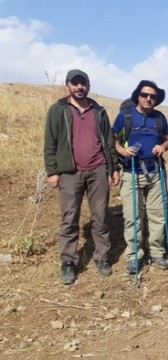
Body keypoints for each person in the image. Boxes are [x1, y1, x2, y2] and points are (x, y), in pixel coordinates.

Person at [44, 69, 120, 285]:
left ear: (88, 85)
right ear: (67, 85)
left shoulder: (99, 111)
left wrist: (113, 168)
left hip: (97, 170)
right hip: (70, 171)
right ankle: (68, 262)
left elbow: (108, 142)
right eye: (75, 83)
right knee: (69, 218)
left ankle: (102, 257)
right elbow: (50, 143)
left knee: (100, 216)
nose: (79, 87)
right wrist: (52, 171)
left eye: (83, 83)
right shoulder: (58, 110)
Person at [113, 80, 168, 274]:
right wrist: (122, 150)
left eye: (152, 96)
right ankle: (133, 256)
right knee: (132, 217)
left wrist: (162, 147)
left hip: (155, 172)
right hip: (131, 172)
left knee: (158, 215)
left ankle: (156, 253)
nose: (148, 98)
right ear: (138, 96)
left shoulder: (159, 118)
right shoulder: (126, 116)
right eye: (145, 95)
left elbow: (167, 138)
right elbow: (113, 139)